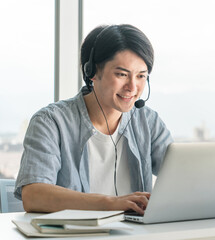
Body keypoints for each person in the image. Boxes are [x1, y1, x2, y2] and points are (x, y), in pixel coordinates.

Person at [14, 24, 173, 214]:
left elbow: (183, 177)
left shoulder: (148, 122)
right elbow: (33, 195)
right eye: (122, 74)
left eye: (141, 76)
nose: (132, 87)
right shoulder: (51, 122)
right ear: (92, 72)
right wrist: (111, 203)